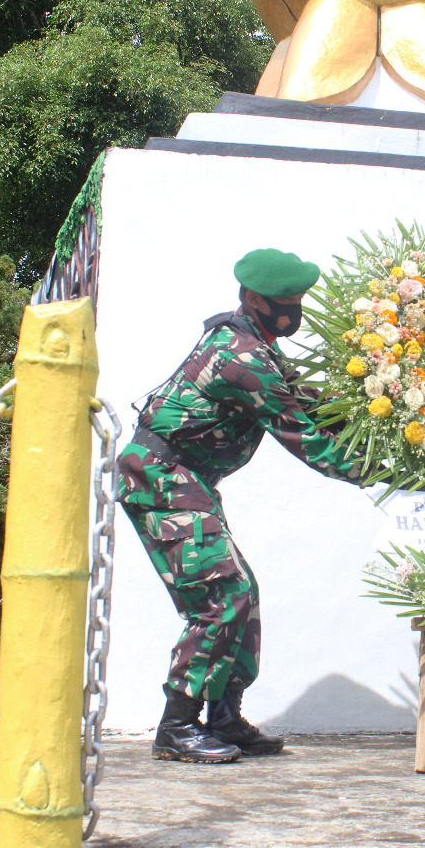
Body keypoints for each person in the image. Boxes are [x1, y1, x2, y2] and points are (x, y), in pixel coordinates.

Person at [117, 248, 366, 764]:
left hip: (190, 479)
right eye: (285, 301)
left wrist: (366, 406)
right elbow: (303, 435)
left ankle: (224, 716)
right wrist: (383, 473)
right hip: (162, 477)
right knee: (221, 593)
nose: (293, 310)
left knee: (241, 592)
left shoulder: (254, 344)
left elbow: (304, 399)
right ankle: (177, 726)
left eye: (298, 300)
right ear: (253, 298)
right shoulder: (242, 358)